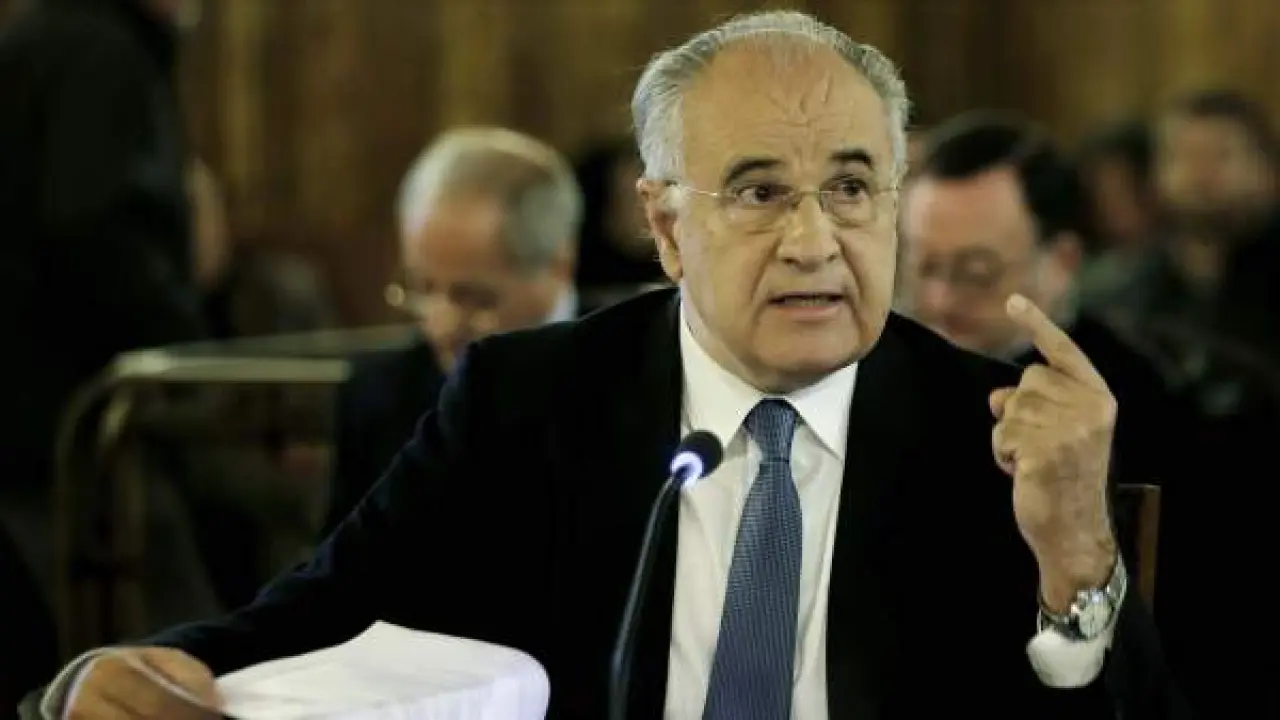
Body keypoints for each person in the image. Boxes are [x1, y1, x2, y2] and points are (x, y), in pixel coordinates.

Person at [46, 11, 1186, 719]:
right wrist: (107, 681)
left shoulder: (987, 430)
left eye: (850, 187)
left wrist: (1072, 557)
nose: (813, 241)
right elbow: (314, 624)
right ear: (665, 226)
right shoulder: (526, 404)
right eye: (758, 191)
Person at [0, 0, 207, 594]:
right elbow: (94, 232)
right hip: (71, 429)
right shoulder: (99, 55)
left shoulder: (45, 37)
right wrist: (189, 354)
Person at [323, 126, 583, 535]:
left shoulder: (636, 371)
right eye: (423, 288)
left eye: (473, 297)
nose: (440, 324)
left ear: (557, 267)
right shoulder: (379, 397)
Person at [899, 112, 1178, 485]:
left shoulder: (1136, 399)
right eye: (925, 267)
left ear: (1062, 261)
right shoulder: (883, 373)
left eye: (977, 273)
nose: (941, 300)